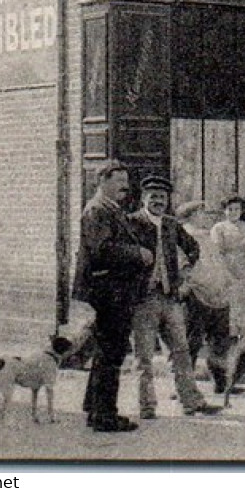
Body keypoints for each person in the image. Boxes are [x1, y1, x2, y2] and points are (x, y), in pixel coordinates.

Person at [128, 174, 221, 418]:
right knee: (144, 356)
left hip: (171, 298)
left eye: (162, 197)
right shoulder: (131, 223)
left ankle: (191, 401)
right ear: (143, 198)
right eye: (153, 196)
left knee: (181, 351)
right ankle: (147, 406)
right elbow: (121, 255)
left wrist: (185, 276)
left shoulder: (171, 224)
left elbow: (193, 248)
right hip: (143, 300)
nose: (158, 201)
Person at [72, 160, 154, 432]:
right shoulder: (97, 210)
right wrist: (137, 253)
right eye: (118, 181)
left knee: (107, 351)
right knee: (112, 352)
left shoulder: (111, 210)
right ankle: (105, 415)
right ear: (102, 182)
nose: (125, 186)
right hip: (107, 290)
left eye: (126, 181)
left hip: (114, 289)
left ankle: (95, 409)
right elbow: (102, 249)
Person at [176, 200, 234, 391]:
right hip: (197, 294)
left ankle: (221, 382)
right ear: (192, 215)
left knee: (219, 341)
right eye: (201, 213)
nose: (206, 217)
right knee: (191, 341)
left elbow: (218, 262)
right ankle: (184, 386)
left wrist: (225, 281)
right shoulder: (183, 235)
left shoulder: (207, 236)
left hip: (218, 295)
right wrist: (194, 284)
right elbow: (183, 266)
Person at [210, 196, 245, 340]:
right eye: (230, 209)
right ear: (224, 211)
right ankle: (230, 337)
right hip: (226, 268)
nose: (233, 212)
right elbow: (217, 251)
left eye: (237, 209)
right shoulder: (219, 228)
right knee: (230, 302)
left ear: (241, 211)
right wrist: (227, 268)